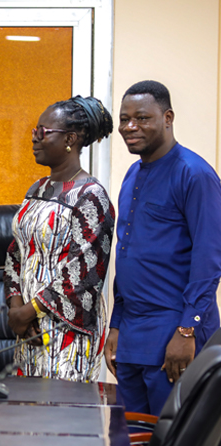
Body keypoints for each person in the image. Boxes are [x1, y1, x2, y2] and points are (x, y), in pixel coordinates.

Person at [104, 81, 221, 414]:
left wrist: (187, 330)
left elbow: (210, 258)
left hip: (175, 332)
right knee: (129, 445)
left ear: (167, 118)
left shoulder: (195, 174)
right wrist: (115, 325)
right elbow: (127, 253)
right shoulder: (131, 175)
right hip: (131, 336)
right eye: (124, 119)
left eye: (142, 118)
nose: (130, 127)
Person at [4, 96, 115, 383]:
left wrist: (29, 312)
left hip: (65, 332)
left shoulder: (91, 197)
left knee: (59, 419)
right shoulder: (37, 189)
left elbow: (83, 275)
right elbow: (16, 252)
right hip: (28, 331)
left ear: (70, 139)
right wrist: (17, 308)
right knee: (26, 417)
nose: (34, 138)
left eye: (43, 131)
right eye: (34, 131)